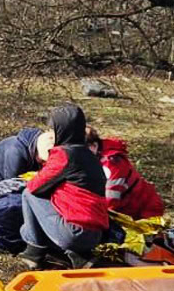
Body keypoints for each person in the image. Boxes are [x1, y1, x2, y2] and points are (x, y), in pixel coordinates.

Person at [19, 104, 109, 269]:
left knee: (28, 194)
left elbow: (35, 187)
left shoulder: (63, 155)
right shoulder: (90, 156)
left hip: (74, 233)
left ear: (61, 130)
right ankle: (80, 257)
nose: (51, 135)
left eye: (53, 130)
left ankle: (34, 252)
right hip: (96, 235)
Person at [97, 136, 166, 220]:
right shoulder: (98, 157)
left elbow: (111, 197)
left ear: (93, 145)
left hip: (144, 211)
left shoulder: (112, 162)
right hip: (129, 209)